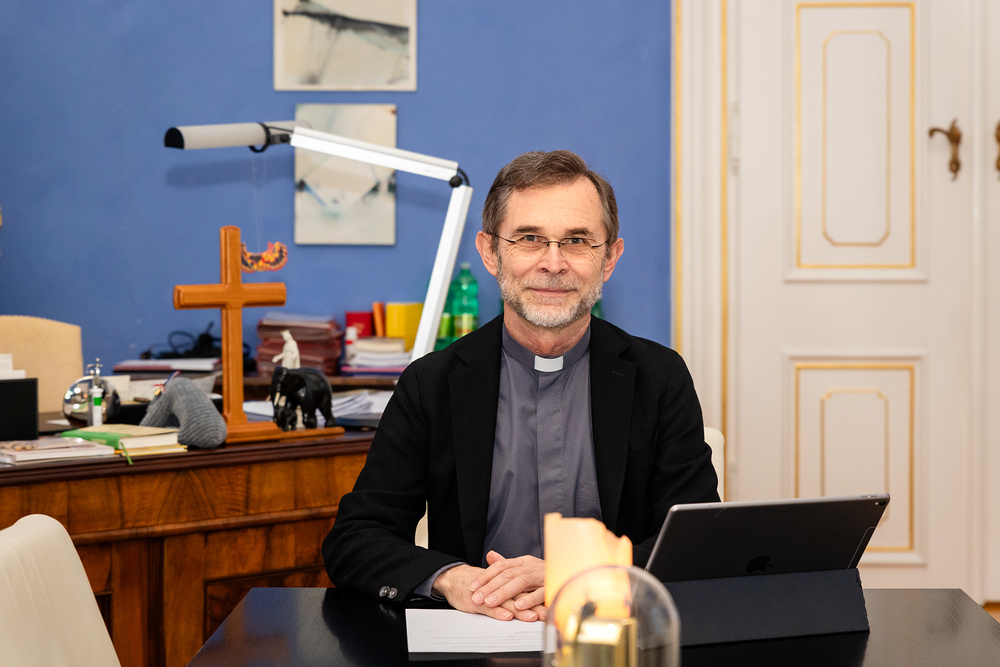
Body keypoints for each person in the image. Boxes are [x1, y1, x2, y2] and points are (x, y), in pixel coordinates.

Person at [323, 150, 719, 623]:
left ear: (609, 259)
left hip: (610, 632)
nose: (553, 263)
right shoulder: (431, 383)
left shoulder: (659, 377)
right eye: (529, 238)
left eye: (577, 241)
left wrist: (579, 574)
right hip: (476, 629)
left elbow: (696, 542)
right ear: (491, 253)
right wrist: (452, 579)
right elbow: (355, 538)